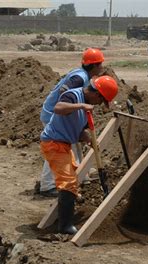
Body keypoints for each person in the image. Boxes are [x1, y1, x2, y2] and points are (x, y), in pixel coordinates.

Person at [40, 75, 118, 234]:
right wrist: (81, 105)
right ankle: (65, 225)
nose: (98, 104)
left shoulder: (86, 105)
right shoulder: (74, 96)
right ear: (96, 94)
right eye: (101, 101)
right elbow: (58, 108)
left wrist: (88, 139)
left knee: (73, 175)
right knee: (68, 181)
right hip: (54, 143)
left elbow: (80, 130)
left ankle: (70, 203)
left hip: (64, 144)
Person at [38, 48, 105, 197]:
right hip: (53, 115)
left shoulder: (84, 76)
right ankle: (48, 185)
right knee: (58, 148)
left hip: (56, 113)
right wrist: (76, 111)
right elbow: (65, 95)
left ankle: (81, 175)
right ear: (94, 65)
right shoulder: (80, 78)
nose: (102, 68)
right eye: (100, 65)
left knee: (70, 148)